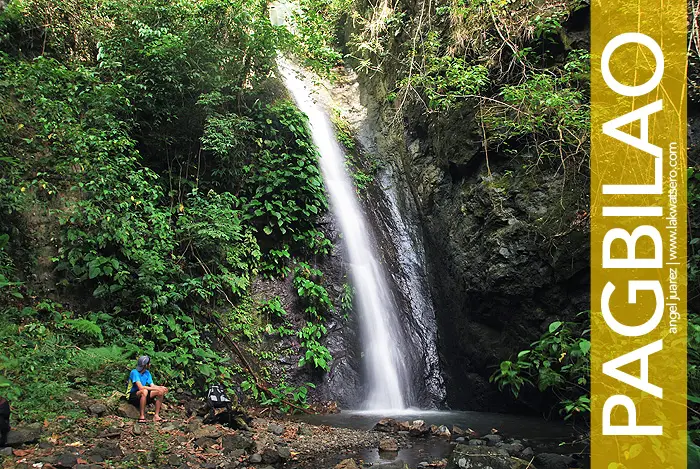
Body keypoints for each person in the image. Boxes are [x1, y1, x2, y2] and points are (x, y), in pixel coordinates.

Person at [128, 355, 168, 422]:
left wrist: (160, 388)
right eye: (149, 363)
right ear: (146, 365)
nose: (150, 365)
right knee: (144, 391)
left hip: (143, 394)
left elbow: (152, 385)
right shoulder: (134, 372)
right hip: (133, 395)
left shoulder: (147, 373)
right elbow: (140, 387)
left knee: (160, 392)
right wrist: (156, 388)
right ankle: (142, 416)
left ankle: (156, 416)